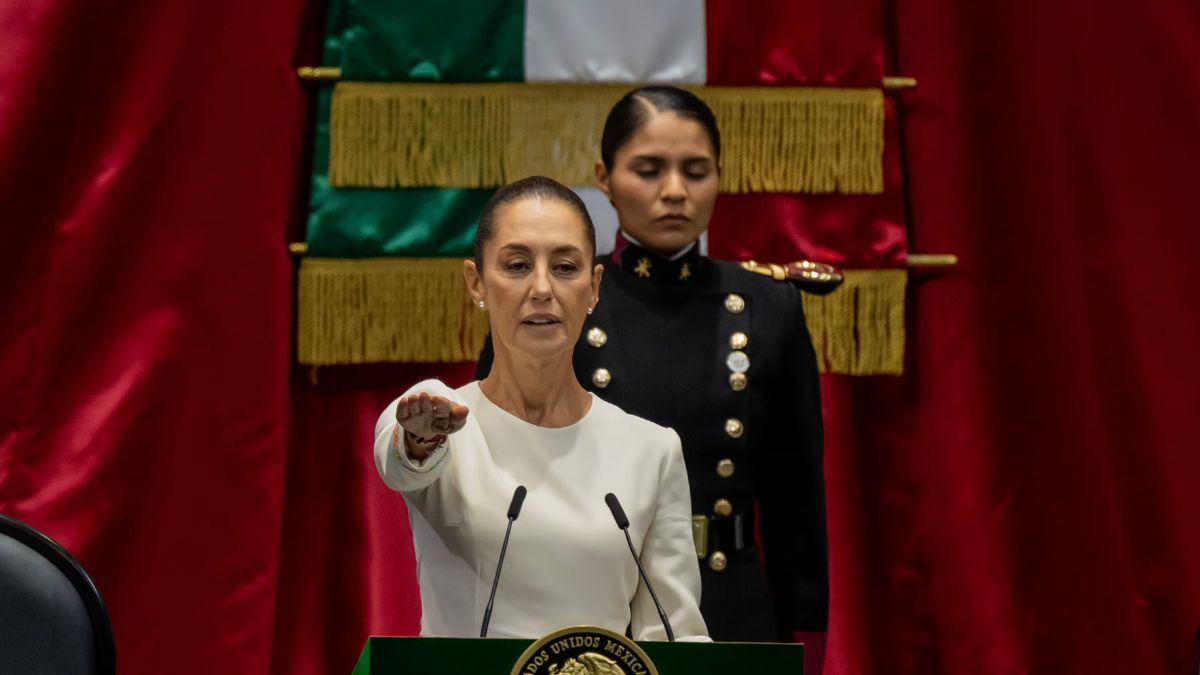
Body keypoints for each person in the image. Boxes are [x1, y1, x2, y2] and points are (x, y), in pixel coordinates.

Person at [477, 87, 829, 646]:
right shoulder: (557, 298)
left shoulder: (769, 307)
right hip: (585, 606)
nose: (674, 191)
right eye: (648, 169)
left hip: (729, 606)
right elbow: (501, 471)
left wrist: (804, 638)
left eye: (696, 171)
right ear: (605, 177)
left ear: (720, 175)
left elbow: (796, 505)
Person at [374, 175, 709, 642]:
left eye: (566, 267)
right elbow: (400, 461)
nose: (541, 288)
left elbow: (677, 639)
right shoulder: (441, 418)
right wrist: (419, 438)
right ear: (477, 284)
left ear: (594, 288)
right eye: (515, 265)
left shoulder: (651, 449)